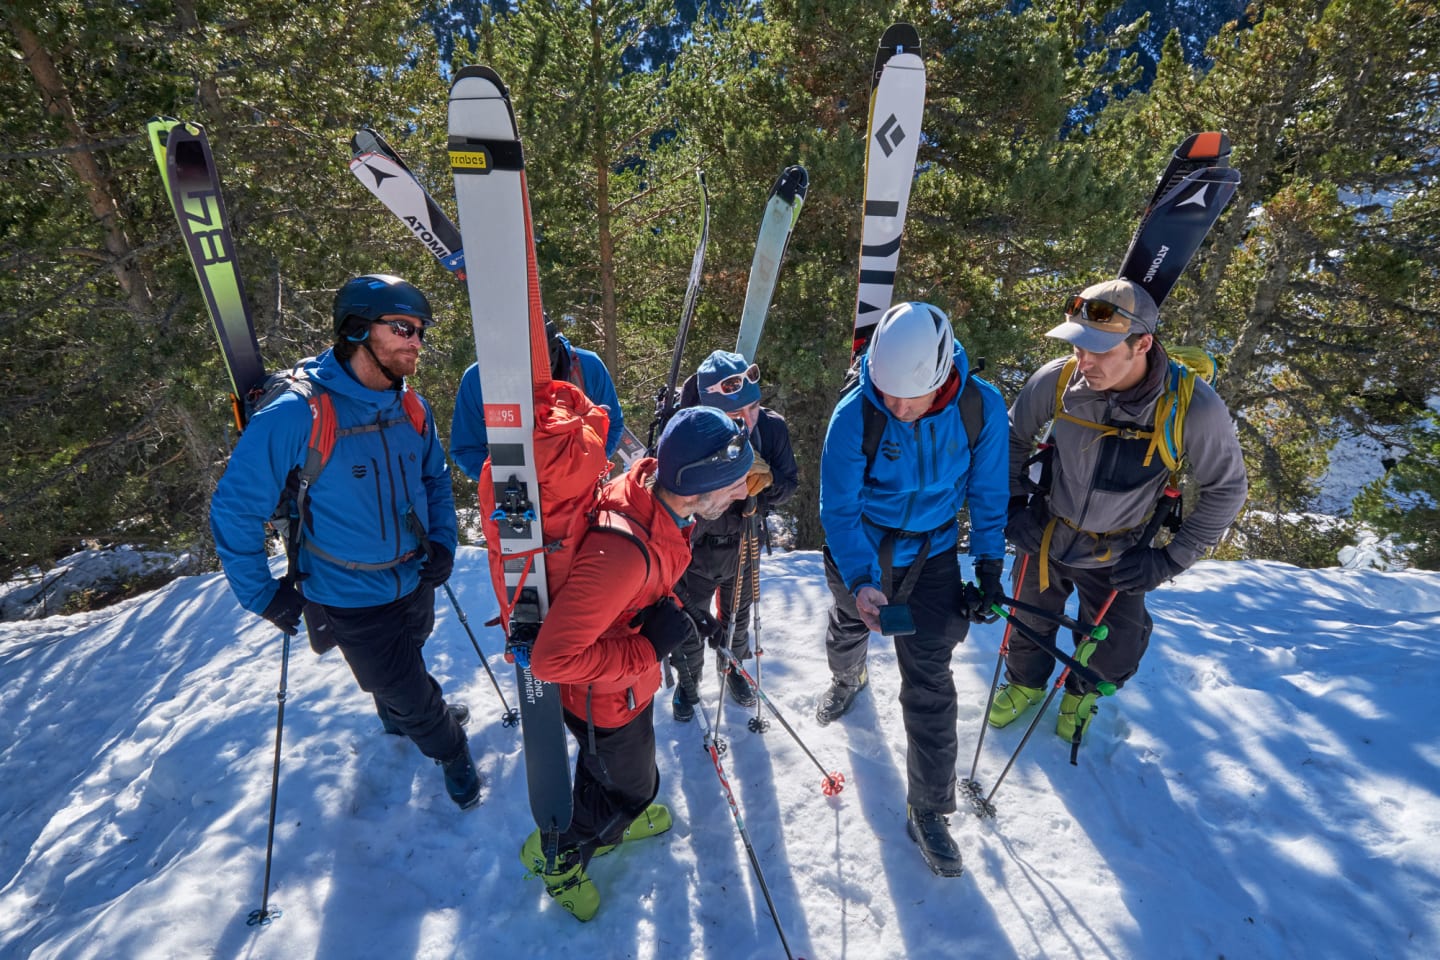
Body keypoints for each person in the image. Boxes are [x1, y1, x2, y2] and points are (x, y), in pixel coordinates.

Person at [210, 274, 479, 810]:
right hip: (347, 591)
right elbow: (235, 508)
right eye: (403, 328)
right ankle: (449, 747)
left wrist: (445, 540)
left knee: (408, 661)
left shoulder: (412, 407)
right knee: (413, 695)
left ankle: (402, 710)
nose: (416, 342)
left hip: (413, 575)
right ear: (357, 329)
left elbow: (434, 480)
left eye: (420, 331)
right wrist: (260, 594)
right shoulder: (298, 412)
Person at [518, 406, 753, 920]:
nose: (742, 493)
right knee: (629, 789)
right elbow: (551, 660)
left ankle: (621, 814)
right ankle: (559, 858)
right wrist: (649, 650)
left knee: (625, 774)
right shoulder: (623, 553)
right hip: (605, 701)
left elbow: (637, 589)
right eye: (732, 484)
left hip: (625, 688)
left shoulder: (651, 489)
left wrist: (679, 611)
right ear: (695, 487)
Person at [994, 279, 1247, 742]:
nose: (1082, 362)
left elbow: (1227, 487)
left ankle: (1080, 692)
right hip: (1049, 531)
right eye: (1077, 347)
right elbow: (1011, 438)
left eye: (1099, 351)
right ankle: (1025, 685)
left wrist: (1172, 558)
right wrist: (1013, 504)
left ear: (1142, 344)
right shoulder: (1058, 380)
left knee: (1116, 648)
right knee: (1029, 620)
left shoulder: (1192, 407)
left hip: (1122, 551)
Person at [815, 301, 1009, 877]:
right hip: (864, 550)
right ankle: (848, 675)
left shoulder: (980, 406)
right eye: (888, 394)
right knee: (850, 621)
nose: (898, 408)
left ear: (944, 373)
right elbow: (839, 510)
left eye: (912, 398)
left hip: (934, 553)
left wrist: (991, 568)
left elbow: (989, 494)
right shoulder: (856, 416)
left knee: (930, 678)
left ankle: (929, 807)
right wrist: (861, 581)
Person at [668, 350, 798, 718]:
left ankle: (734, 669)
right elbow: (668, 498)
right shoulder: (685, 432)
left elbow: (789, 483)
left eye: (753, 407)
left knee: (738, 619)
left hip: (745, 541)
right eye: (735, 415)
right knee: (690, 623)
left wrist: (764, 482)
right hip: (695, 550)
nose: (747, 420)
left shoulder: (771, 428)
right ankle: (688, 682)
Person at [450, 315, 624, 480]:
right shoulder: (478, 379)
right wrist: (500, 482)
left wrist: (586, 470)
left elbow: (612, 423)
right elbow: (466, 448)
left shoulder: (587, 366)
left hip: (579, 494)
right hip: (512, 498)